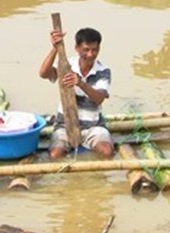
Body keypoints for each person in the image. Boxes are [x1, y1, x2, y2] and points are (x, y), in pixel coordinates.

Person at [38, 27, 114, 159]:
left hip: (93, 126)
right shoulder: (67, 64)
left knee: (107, 152)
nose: (90, 54)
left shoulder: (103, 71)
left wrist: (80, 83)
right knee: (55, 155)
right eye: (86, 50)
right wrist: (55, 48)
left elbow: (99, 99)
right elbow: (44, 73)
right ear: (77, 48)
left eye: (94, 50)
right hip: (65, 125)